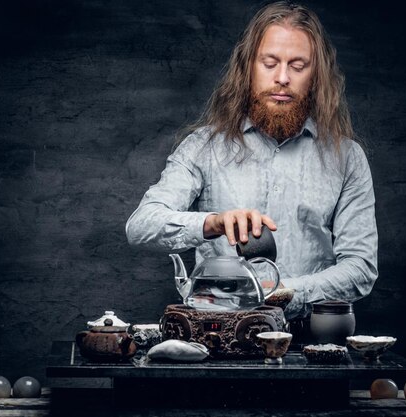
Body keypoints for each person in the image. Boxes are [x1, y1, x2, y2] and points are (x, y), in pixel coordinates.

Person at [125, 1, 378, 319]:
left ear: (315, 75)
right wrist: (211, 223)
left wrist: (284, 294)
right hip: (219, 341)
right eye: (269, 63)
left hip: (312, 341)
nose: (282, 77)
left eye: (298, 66)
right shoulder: (204, 147)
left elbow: (361, 268)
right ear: (248, 68)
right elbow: (141, 225)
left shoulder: (348, 159)